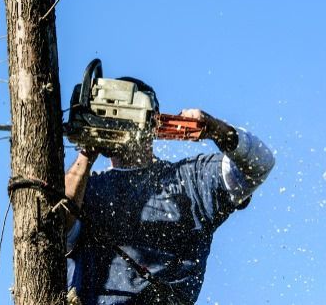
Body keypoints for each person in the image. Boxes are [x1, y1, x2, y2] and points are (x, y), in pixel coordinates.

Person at [64, 78, 275, 305]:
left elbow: (259, 165)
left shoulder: (190, 179)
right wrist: (86, 155)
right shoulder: (88, 188)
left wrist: (216, 129)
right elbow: (58, 228)